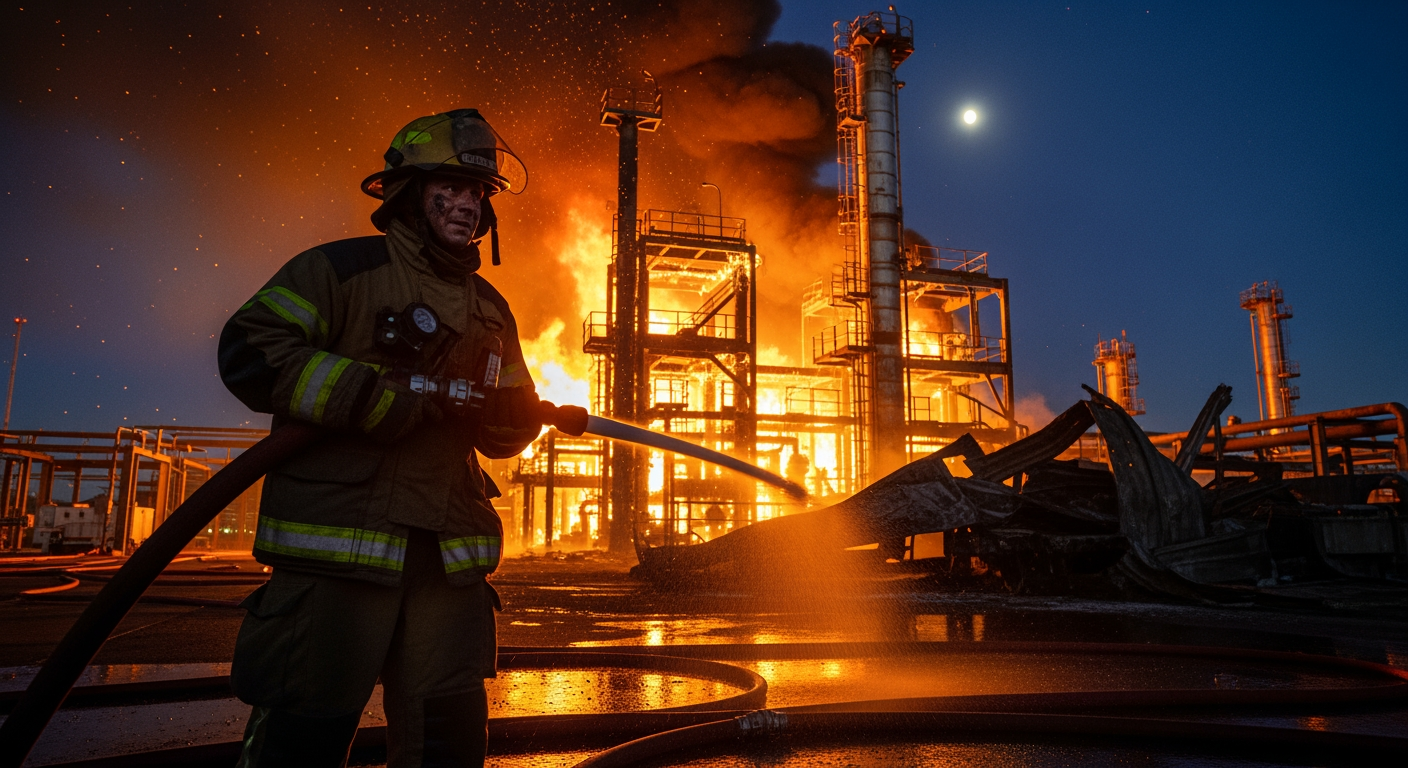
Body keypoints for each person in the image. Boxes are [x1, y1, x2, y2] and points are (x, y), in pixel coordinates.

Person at [217, 108, 542, 767]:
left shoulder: (490, 309)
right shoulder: (339, 273)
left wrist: (516, 418)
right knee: (302, 735)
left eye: (478, 193)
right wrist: (364, 393)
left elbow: (507, 426)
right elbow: (251, 350)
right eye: (448, 188)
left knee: (447, 743)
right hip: (339, 555)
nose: (466, 205)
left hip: (448, 564)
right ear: (407, 193)